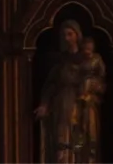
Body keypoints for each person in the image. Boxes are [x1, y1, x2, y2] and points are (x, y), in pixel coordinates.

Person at [35, 20, 88, 164]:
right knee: (62, 133)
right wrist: (44, 104)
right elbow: (51, 84)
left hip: (82, 102)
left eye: (70, 34)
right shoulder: (61, 60)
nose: (67, 39)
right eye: (64, 35)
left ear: (77, 35)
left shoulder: (87, 58)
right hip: (63, 101)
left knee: (80, 136)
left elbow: (95, 79)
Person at [78, 38, 106, 163]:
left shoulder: (97, 59)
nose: (87, 52)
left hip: (92, 100)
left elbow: (102, 76)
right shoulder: (77, 60)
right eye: (85, 49)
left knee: (91, 131)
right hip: (78, 98)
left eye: (90, 49)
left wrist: (96, 88)